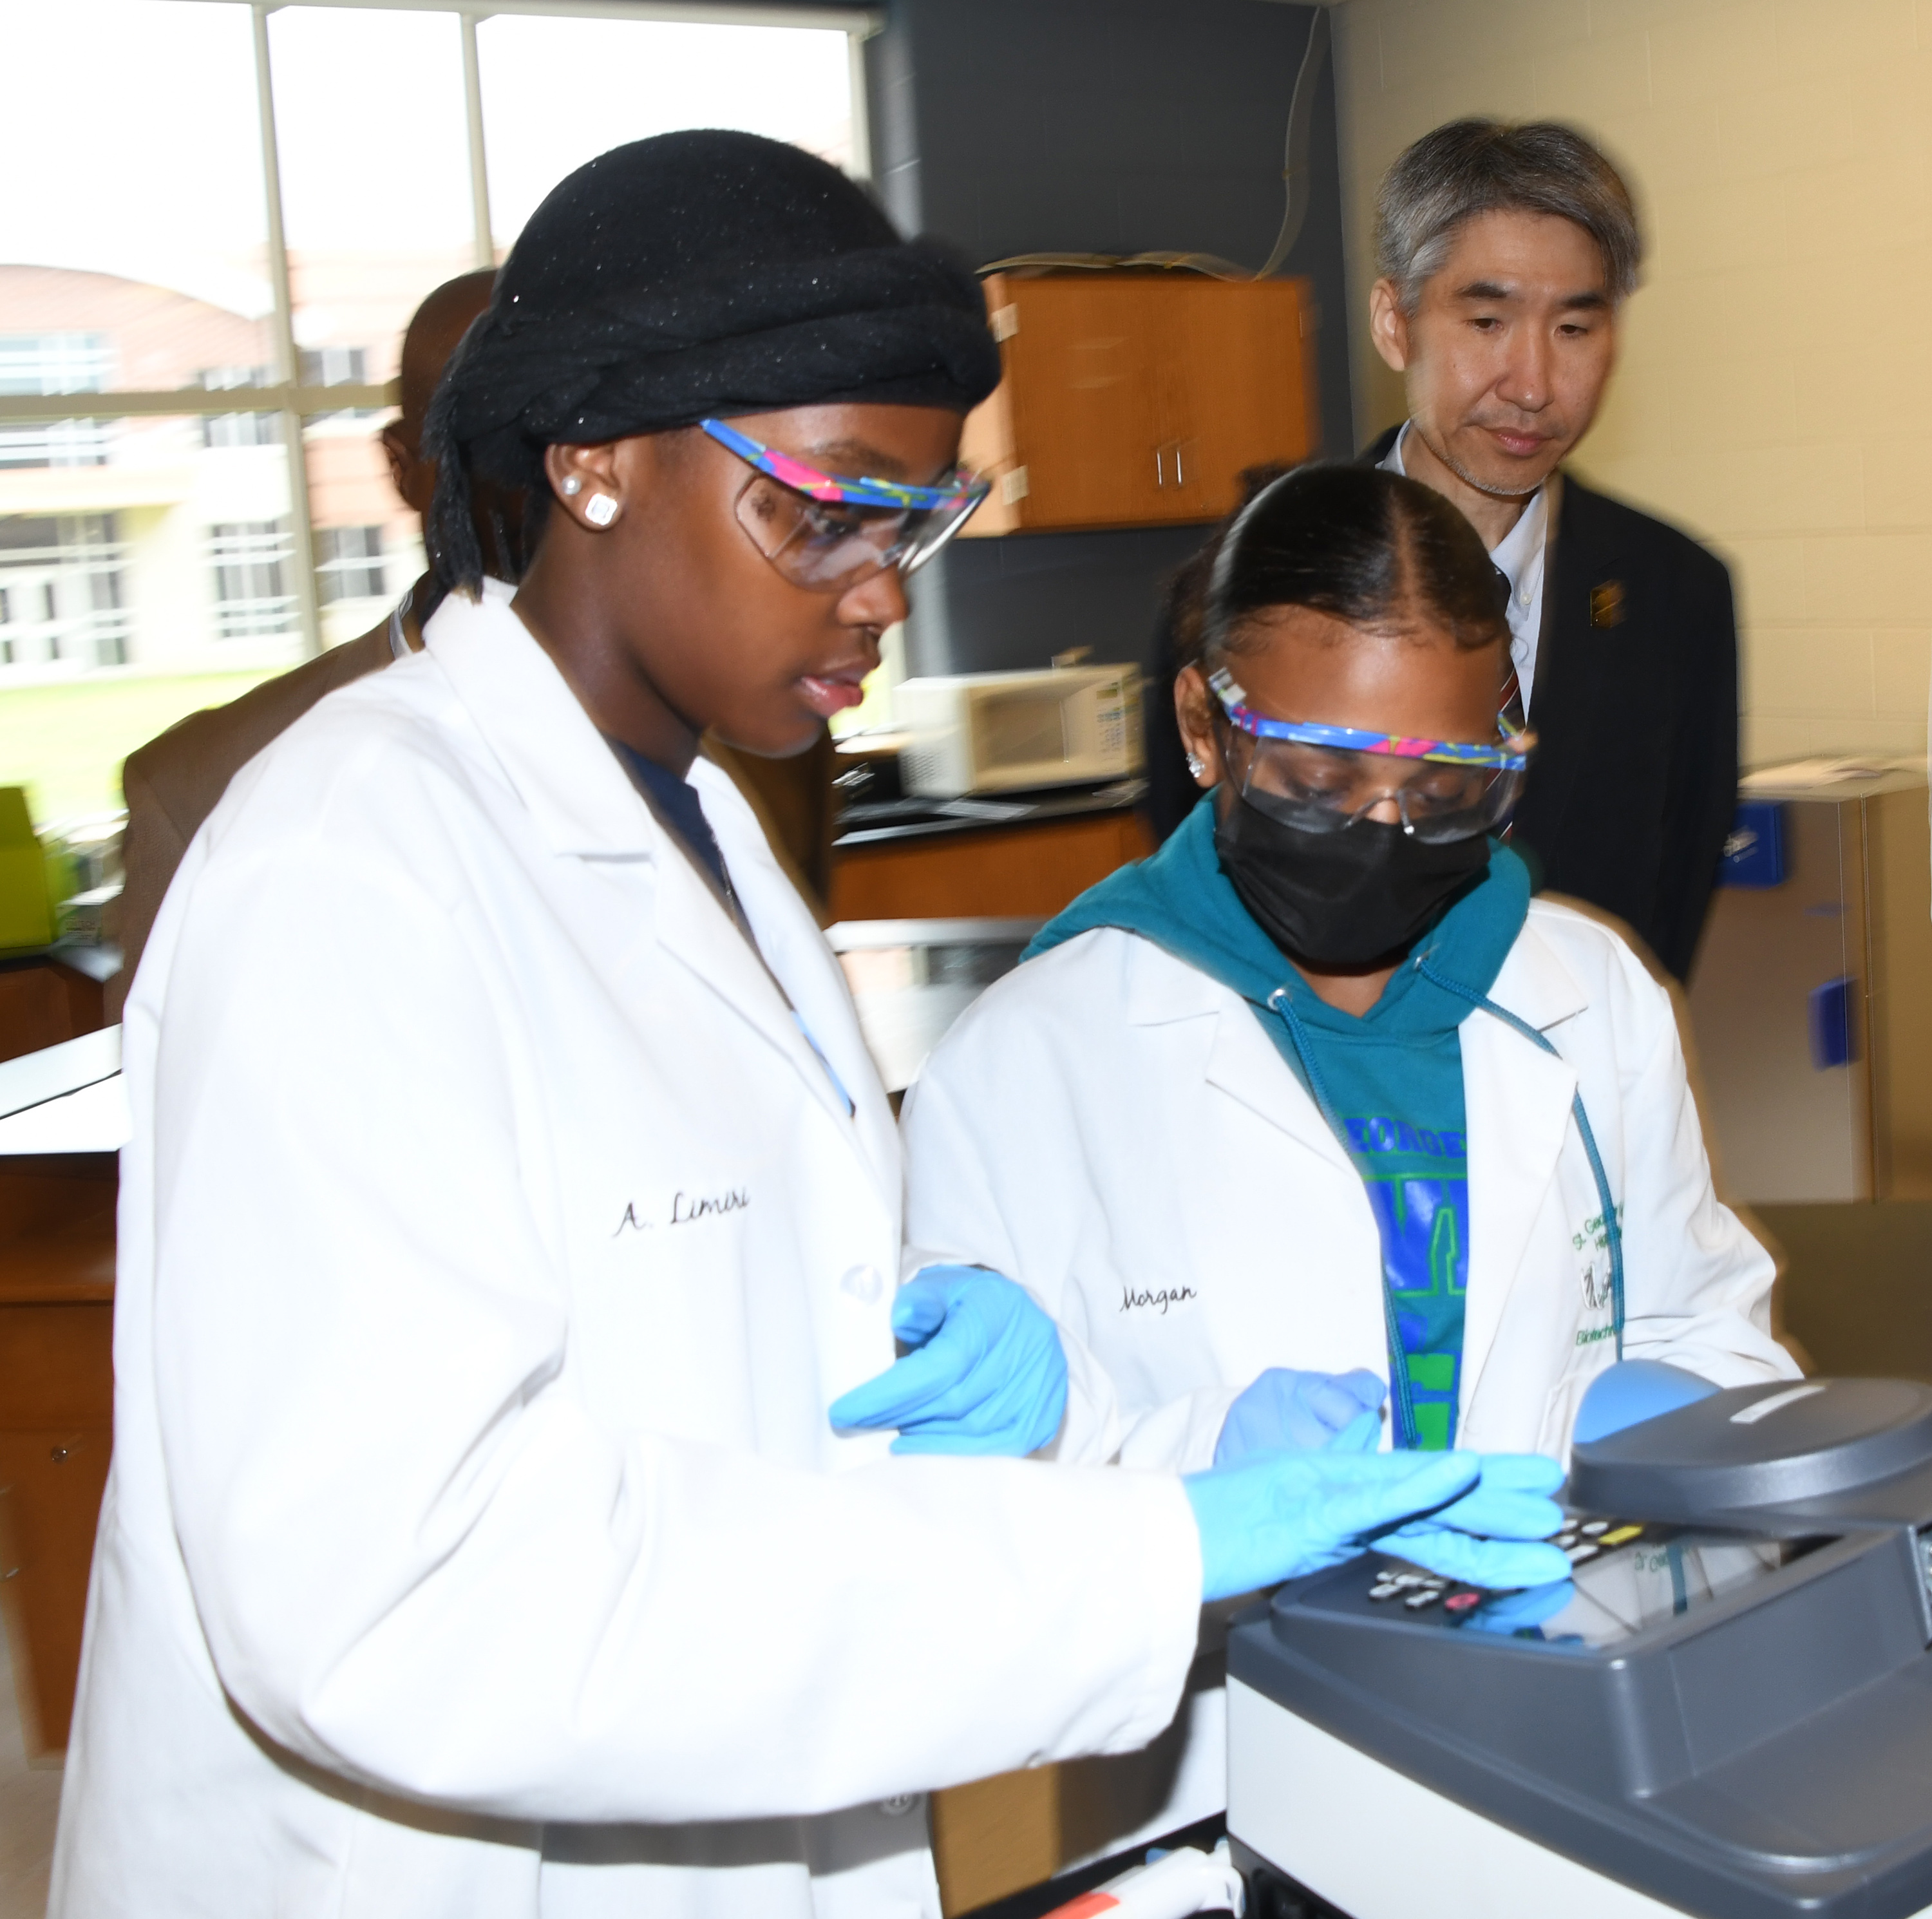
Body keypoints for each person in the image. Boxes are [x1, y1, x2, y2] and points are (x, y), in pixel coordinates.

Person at [52, 135, 1568, 1918]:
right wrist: (1154, 1551)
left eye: (918, 517)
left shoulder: (717, 844)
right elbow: (399, 1597)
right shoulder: (350, 864)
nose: (882, 584)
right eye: (826, 505)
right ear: (593, 457)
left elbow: (771, 1447)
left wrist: (1124, 1447)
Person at [903, 461, 1797, 1872]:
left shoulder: (1588, 990)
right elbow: (976, 1530)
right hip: (1225, 1775)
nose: (1385, 830)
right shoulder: (1037, 1057)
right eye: (1318, 781)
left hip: (1587, 1719)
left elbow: (1705, 1321)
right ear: (1204, 724)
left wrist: (1677, 1416)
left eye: (1448, 786)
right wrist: (1198, 1474)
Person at [1146, 120, 1737, 984]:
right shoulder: (1257, 571)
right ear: (1396, 322)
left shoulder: (1674, 591)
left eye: (1575, 329)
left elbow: (1671, 910)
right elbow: (1189, 885)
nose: (1532, 384)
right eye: (1488, 320)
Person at [110, 269, 502, 1014]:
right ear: (401, 468)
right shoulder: (201, 789)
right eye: (486, 432)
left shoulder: (749, 745)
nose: (551, 470)